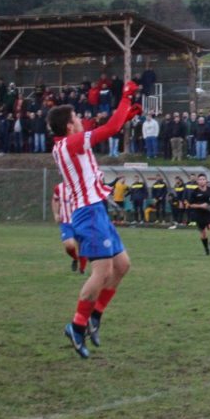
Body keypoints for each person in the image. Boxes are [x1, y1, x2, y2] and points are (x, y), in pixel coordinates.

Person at [48, 80, 140, 359]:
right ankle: (76, 326)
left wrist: (125, 114)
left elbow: (108, 126)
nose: (81, 120)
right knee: (102, 273)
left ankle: (94, 316)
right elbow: (109, 129)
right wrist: (125, 99)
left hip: (95, 210)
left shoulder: (69, 143)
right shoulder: (70, 144)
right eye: (76, 118)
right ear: (68, 127)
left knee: (122, 265)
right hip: (88, 213)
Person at [53, 182, 87, 274]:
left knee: (82, 245)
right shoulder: (59, 187)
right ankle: (75, 258)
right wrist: (56, 213)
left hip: (81, 222)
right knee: (69, 245)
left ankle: (82, 269)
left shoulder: (83, 186)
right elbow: (55, 200)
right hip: (66, 222)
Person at [187, 173, 210, 255]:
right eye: (200, 180)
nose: (202, 181)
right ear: (197, 181)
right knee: (204, 234)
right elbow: (191, 204)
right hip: (199, 215)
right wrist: (200, 205)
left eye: (203, 179)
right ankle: (206, 249)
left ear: (206, 181)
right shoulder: (194, 192)